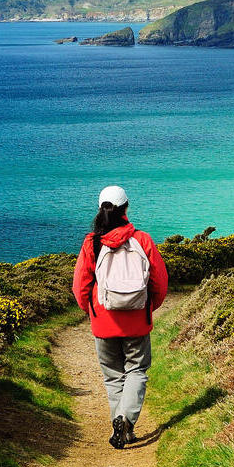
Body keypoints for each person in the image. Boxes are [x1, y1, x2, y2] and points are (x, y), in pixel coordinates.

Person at [73, 185, 168, 449]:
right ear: (127, 207)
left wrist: (91, 311)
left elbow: (80, 285)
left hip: (103, 321)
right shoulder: (143, 240)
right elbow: (160, 282)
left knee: (113, 376)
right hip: (137, 320)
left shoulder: (92, 242)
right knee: (136, 371)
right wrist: (149, 307)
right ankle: (126, 421)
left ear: (100, 209)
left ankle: (120, 422)